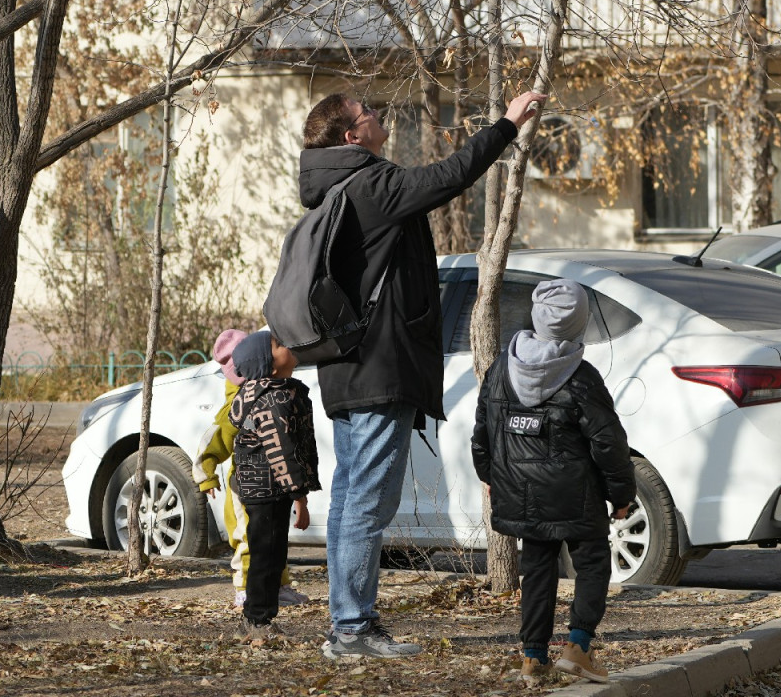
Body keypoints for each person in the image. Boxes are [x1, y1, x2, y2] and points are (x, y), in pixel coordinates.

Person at [298, 86, 546, 660]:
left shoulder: (332, 190)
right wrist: (506, 126)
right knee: (367, 502)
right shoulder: (371, 185)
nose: (380, 115)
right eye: (369, 113)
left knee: (349, 498)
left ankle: (346, 623)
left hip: (346, 367)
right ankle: (353, 628)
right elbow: (450, 176)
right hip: (380, 368)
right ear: (351, 136)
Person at [471, 279, 634, 684]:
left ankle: (532, 658)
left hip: (520, 493)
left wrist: (491, 477)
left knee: (537, 567)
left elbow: (482, 434)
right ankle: (578, 647)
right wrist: (621, 495)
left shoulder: (499, 370)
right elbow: (608, 443)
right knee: (593, 562)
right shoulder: (581, 377)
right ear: (579, 323)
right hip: (576, 495)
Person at [195, 326, 308, 611]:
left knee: (274, 542)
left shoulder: (274, 393)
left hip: (274, 483)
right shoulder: (238, 403)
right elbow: (214, 441)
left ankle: (278, 587)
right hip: (245, 487)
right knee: (249, 540)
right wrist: (206, 474)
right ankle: (245, 590)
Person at [228, 329, 319, 642]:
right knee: (267, 555)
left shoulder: (277, 391)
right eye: (279, 345)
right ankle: (256, 620)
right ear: (268, 365)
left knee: (270, 554)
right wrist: (300, 497)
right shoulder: (273, 399)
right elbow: (283, 451)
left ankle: (260, 617)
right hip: (267, 488)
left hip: (266, 487)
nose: (288, 346)